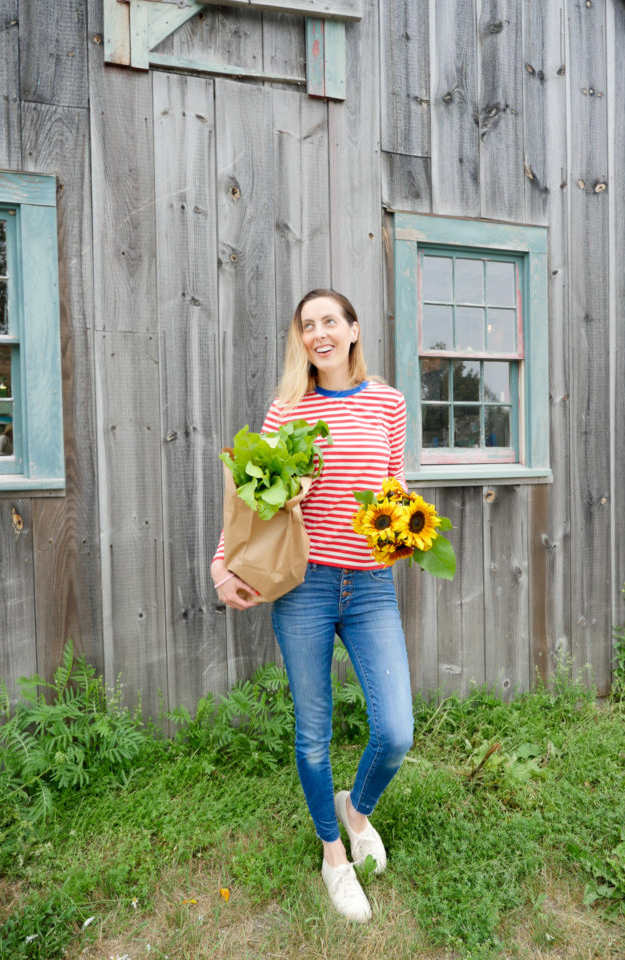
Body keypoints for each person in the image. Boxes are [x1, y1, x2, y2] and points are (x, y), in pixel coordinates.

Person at [211, 289, 414, 923]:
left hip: (372, 585)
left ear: (354, 330)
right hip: (305, 584)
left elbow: (396, 482)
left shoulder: (388, 403)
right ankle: (333, 856)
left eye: (331, 321)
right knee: (313, 735)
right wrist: (224, 561)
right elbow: (252, 497)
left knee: (396, 731)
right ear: (301, 340)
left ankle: (356, 811)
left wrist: (408, 526)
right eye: (308, 326)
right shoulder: (287, 410)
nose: (319, 333)